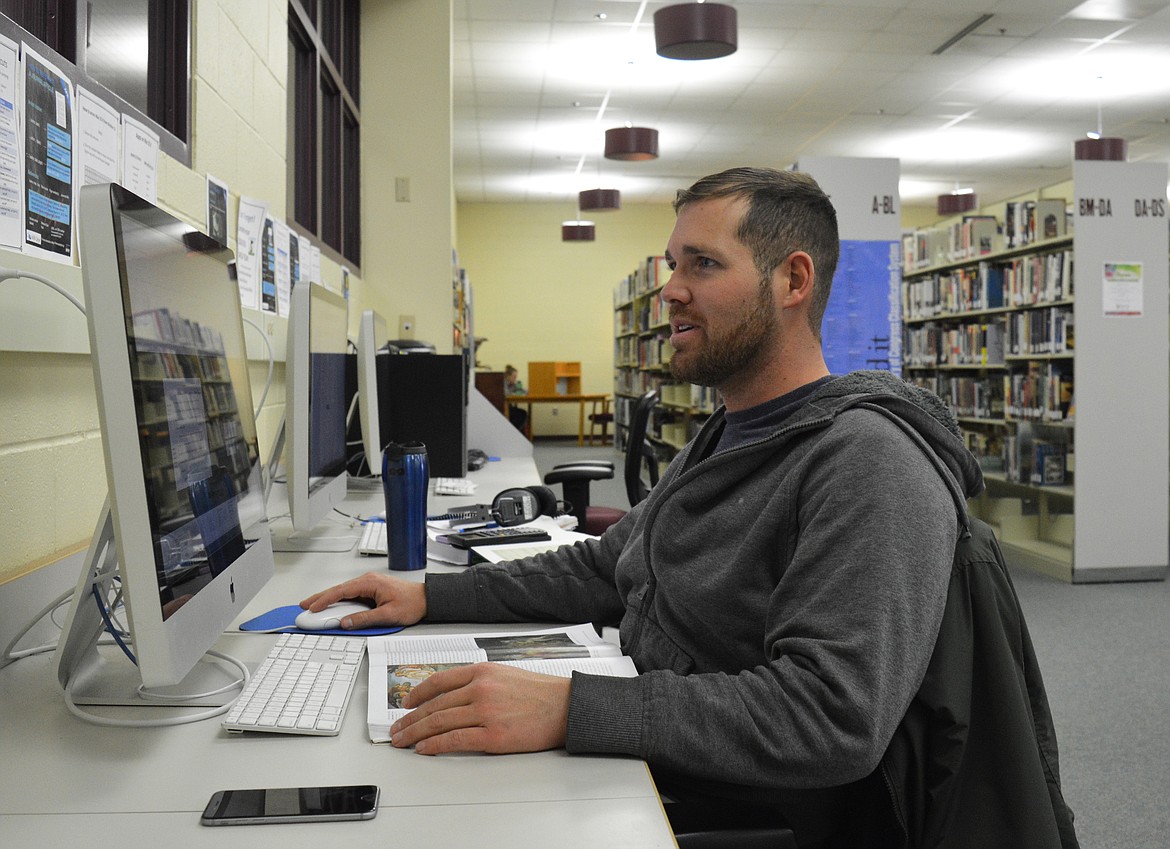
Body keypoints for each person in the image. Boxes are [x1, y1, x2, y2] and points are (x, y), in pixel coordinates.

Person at [302, 168, 1078, 848]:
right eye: (674, 263)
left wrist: (573, 708)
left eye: (702, 264)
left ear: (793, 281)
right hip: (657, 752)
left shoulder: (867, 460)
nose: (670, 288)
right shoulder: (729, 433)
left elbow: (829, 716)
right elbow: (606, 565)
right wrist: (428, 595)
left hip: (736, 807)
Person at [503, 364, 528, 432]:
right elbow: (506, 394)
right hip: (503, 407)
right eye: (514, 377)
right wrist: (516, 393)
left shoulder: (514, 383)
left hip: (509, 406)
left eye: (516, 377)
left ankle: (515, 432)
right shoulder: (503, 382)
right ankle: (513, 432)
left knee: (523, 413)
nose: (515, 379)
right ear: (508, 376)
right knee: (521, 414)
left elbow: (524, 391)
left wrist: (520, 389)